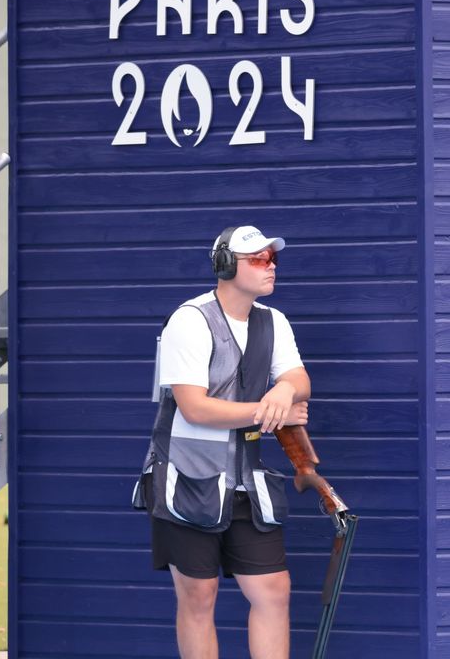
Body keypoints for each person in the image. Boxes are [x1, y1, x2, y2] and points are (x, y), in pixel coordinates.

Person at [132, 225, 312, 659]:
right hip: (187, 480)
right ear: (226, 265)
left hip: (246, 484)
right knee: (199, 597)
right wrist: (270, 413)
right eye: (259, 259)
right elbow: (195, 407)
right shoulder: (189, 320)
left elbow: (299, 378)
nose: (271, 267)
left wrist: (284, 393)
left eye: (273, 258)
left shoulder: (274, 321)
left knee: (273, 590)